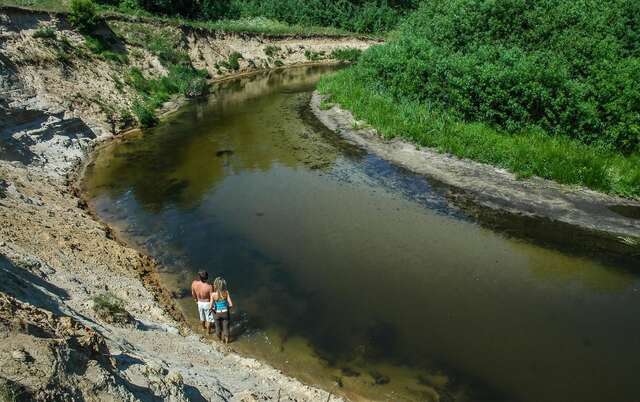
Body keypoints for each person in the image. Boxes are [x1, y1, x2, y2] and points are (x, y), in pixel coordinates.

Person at [211, 276, 233, 343]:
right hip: (225, 313)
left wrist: (213, 310)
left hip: (217, 313)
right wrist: (227, 309)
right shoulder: (226, 293)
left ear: (215, 285)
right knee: (226, 328)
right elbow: (231, 304)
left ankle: (220, 340)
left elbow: (210, 306)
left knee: (217, 327)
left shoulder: (213, 295)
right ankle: (227, 342)